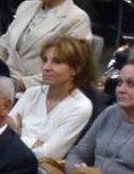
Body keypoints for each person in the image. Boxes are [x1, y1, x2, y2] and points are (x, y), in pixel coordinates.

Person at [8, 34, 99, 162]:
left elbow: (49, 155)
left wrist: (18, 135)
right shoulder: (31, 93)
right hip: (7, 159)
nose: (46, 68)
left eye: (57, 62)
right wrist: (33, 142)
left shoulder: (81, 106)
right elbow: (1, 134)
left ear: (75, 69)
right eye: (45, 60)